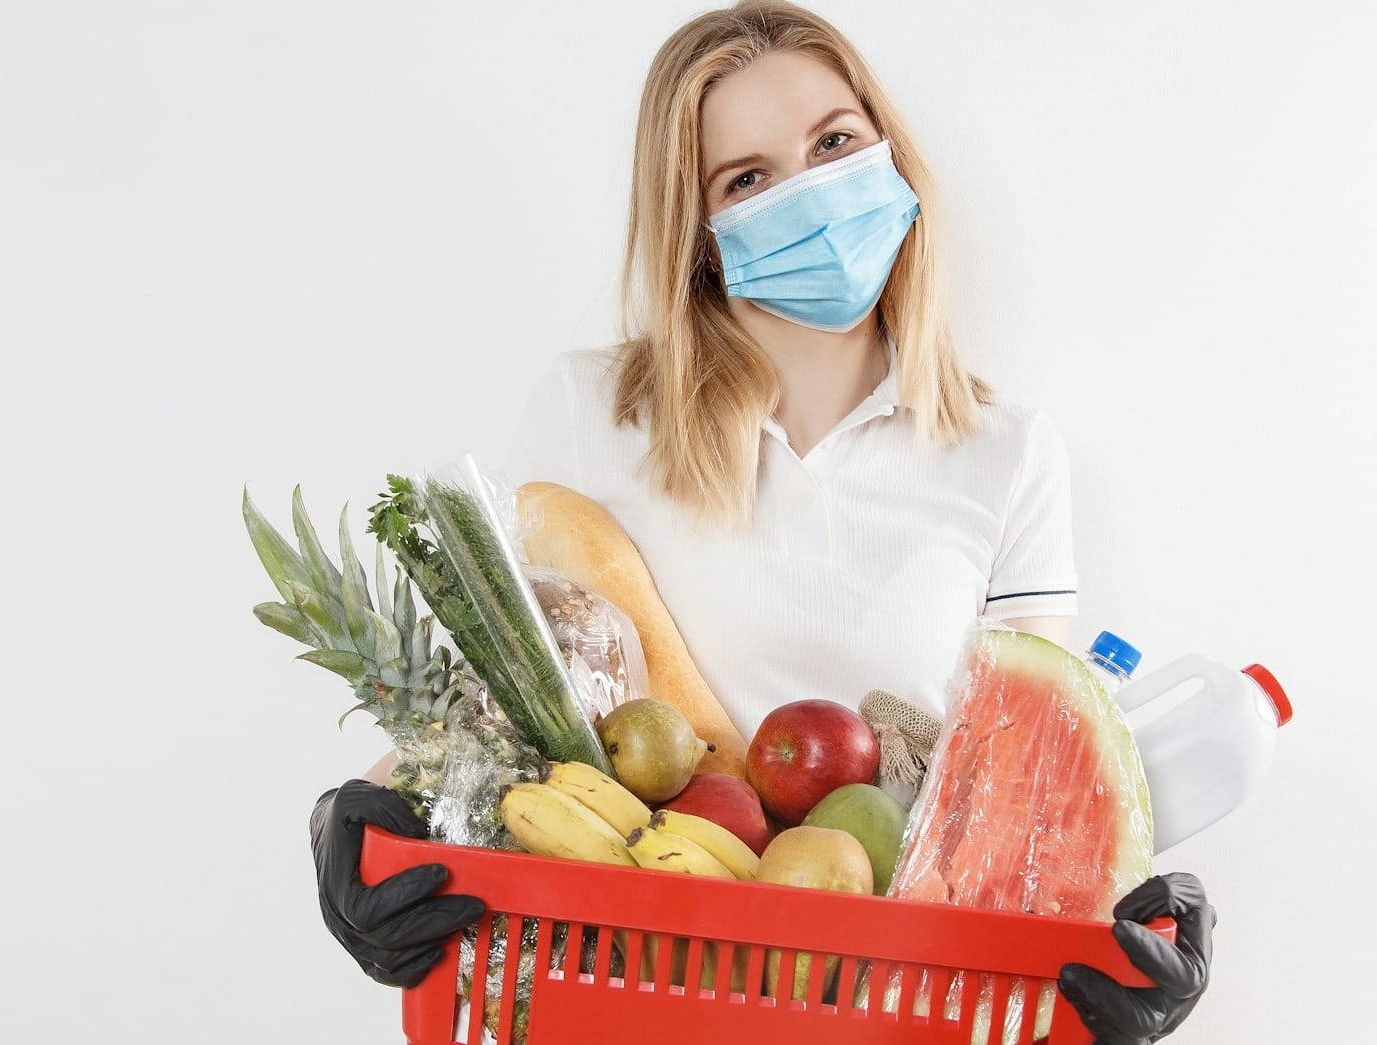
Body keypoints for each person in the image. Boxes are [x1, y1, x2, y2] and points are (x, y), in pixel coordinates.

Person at [309, 3, 1214, 1041]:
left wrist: (1140, 927)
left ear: (889, 152)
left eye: (835, 143)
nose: (814, 196)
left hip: (896, 1014)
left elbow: (1034, 777)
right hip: (617, 993)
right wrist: (350, 824)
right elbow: (499, 695)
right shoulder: (593, 413)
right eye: (747, 179)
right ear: (698, 231)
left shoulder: (1006, 454)